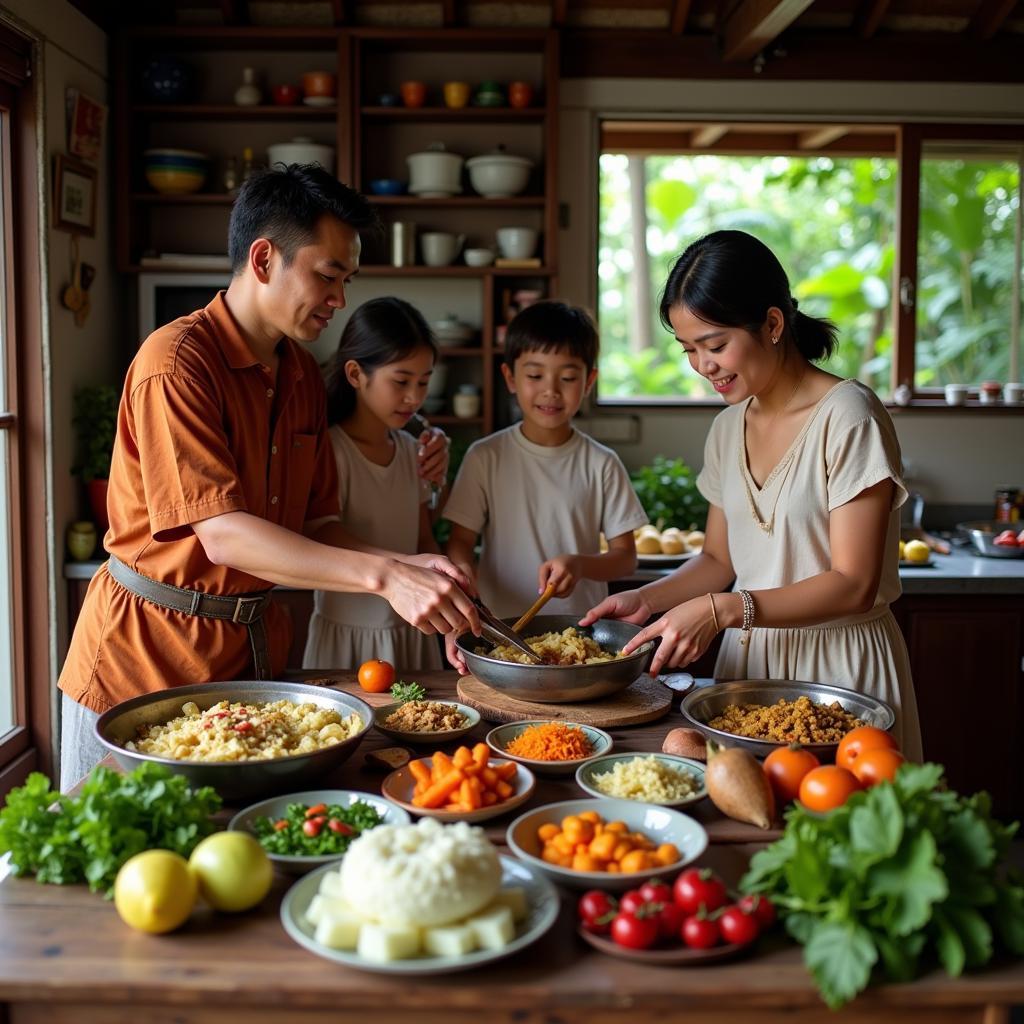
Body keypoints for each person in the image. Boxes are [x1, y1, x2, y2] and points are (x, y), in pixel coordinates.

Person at [58, 164, 479, 790]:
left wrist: (411, 565)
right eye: (328, 275)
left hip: (247, 670)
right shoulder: (176, 364)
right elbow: (224, 536)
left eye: (347, 279)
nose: (340, 299)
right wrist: (387, 576)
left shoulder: (304, 374)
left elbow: (318, 525)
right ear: (262, 259)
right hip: (140, 666)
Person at [582, 229, 922, 759]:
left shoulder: (849, 415)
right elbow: (719, 560)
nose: (702, 365)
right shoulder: (725, 428)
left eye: (715, 345)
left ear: (772, 323)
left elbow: (854, 584)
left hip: (839, 666)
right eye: (688, 349)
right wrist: (647, 600)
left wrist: (722, 610)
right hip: (749, 667)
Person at [444, 300, 648, 672]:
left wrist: (581, 564)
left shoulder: (601, 462)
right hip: (502, 633)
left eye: (567, 378)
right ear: (510, 378)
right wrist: (463, 589)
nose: (551, 390)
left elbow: (625, 556)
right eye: (535, 375)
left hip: (579, 639)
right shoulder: (485, 456)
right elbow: (460, 542)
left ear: (588, 381)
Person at [302, 297, 446, 672]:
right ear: (355, 374)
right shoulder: (332, 449)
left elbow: (424, 536)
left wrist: (438, 571)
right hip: (349, 635)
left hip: (414, 629)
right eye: (400, 381)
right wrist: (407, 564)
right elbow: (324, 532)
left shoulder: (413, 450)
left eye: (423, 382)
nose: (414, 397)